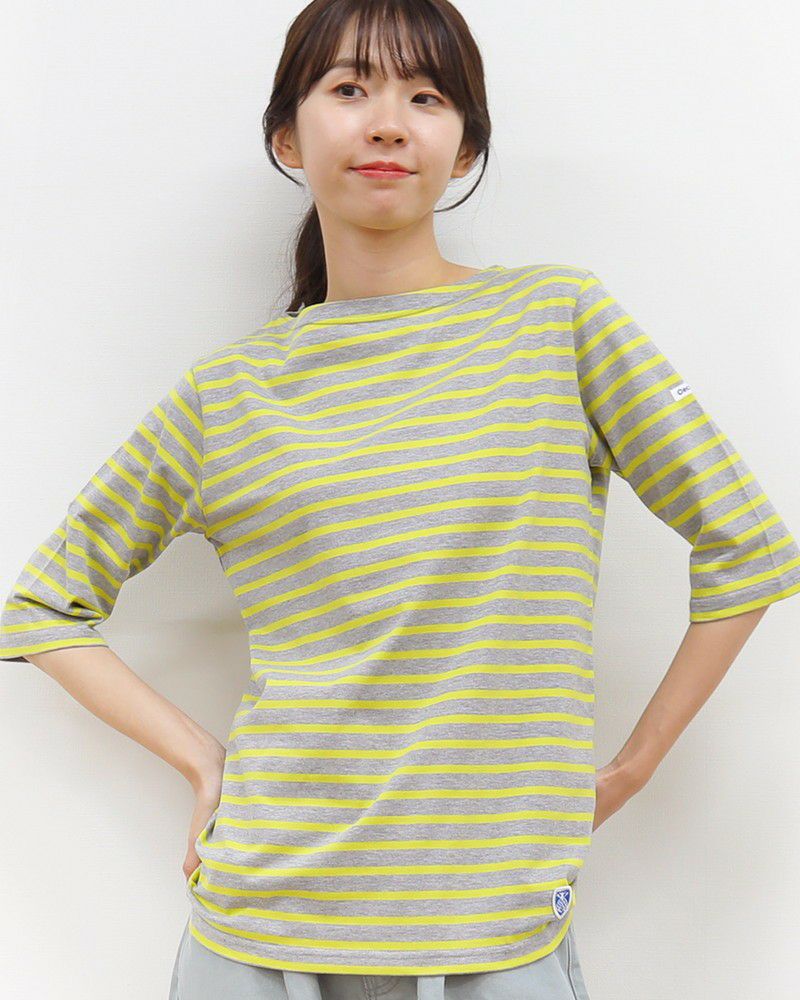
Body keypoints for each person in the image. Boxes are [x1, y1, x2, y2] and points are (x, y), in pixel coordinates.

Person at [2, 2, 799, 998]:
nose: (387, 124)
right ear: (287, 137)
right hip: (257, 930)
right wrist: (203, 760)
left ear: (464, 148)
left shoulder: (557, 321)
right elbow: (42, 608)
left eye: (425, 97)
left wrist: (627, 770)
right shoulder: (227, 395)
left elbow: (746, 546)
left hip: (496, 928)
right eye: (349, 88)